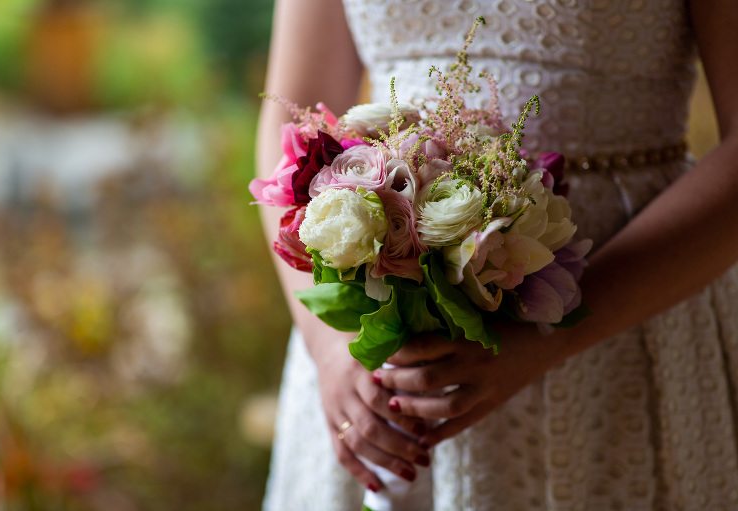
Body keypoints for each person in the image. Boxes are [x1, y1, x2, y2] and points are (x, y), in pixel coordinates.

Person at [256, 0, 738, 509]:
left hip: (622, 319)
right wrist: (332, 347)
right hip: (373, 327)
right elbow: (293, 118)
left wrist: (550, 334)